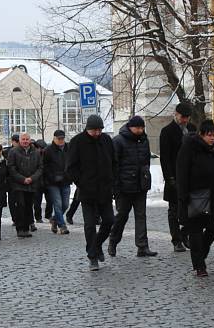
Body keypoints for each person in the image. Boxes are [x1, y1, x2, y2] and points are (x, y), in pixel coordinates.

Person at [66, 114, 117, 271]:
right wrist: (80, 182)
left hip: (105, 190)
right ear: (87, 129)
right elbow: (71, 167)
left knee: (109, 221)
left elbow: (114, 162)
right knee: (89, 225)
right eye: (94, 130)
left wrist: (113, 182)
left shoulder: (107, 140)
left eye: (99, 130)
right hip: (87, 192)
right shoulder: (77, 142)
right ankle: (92, 256)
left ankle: (97, 245)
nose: (97, 133)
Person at [177, 119, 214, 276]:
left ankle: (201, 254)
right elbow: (181, 172)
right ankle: (200, 266)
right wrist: (183, 196)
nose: (212, 138)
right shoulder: (189, 147)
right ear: (201, 135)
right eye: (209, 135)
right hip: (194, 196)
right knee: (196, 231)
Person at [107, 116, 155, 257]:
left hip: (141, 185)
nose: (140, 130)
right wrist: (115, 187)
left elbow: (146, 162)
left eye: (142, 128)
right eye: (138, 128)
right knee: (122, 216)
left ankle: (142, 246)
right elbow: (113, 166)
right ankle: (113, 241)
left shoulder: (144, 140)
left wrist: (146, 176)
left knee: (141, 216)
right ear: (130, 127)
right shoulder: (118, 141)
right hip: (124, 187)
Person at [160, 102, 197, 252]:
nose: (185, 120)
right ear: (176, 114)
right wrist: (169, 178)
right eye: (183, 117)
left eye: (187, 118)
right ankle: (176, 240)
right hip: (174, 176)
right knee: (174, 210)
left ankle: (185, 235)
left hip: (191, 177)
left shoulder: (192, 129)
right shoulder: (167, 131)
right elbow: (165, 158)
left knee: (192, 209)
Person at [8, 133, 43, 238]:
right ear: (19, 140)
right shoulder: (13, 152)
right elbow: (11, 168)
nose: (25, 141)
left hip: (31, 184)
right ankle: (20, 229)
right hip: (18, 184)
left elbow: (40, 168)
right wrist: (22, 179)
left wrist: (32, 178)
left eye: (27, 139)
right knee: (20, 206)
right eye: (23, 139)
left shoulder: (36, 153)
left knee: (28, 206)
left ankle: (26, 228)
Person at [43, 130, 71, 235]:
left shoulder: (68, 148)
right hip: (53, 182)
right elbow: (44, 166)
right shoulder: (48, 150)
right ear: (54, 138)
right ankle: (62, 225)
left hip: (66, 180)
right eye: (59, 138)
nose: (61, 140)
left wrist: (70, 175)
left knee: (65, 204)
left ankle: (55, 219)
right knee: (58, 204)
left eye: (62, 138)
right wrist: (51, 177)